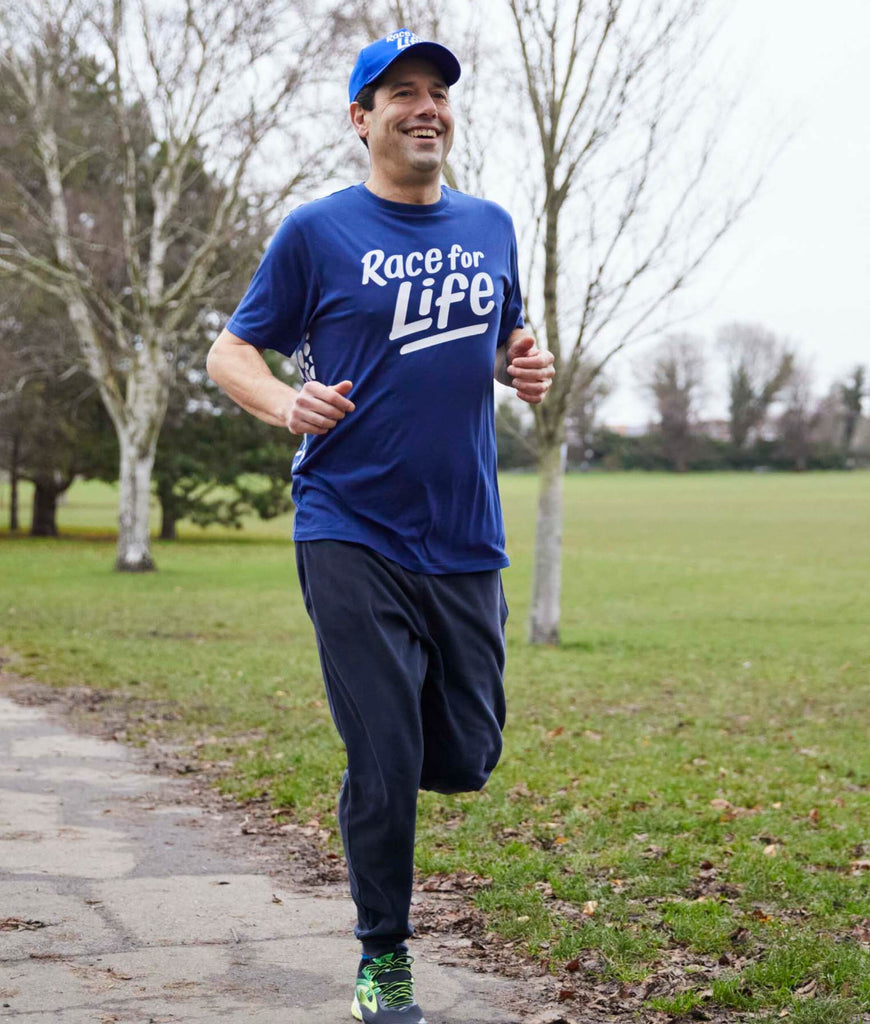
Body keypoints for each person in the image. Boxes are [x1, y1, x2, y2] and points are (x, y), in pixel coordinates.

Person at [207, 28, 554, 1024]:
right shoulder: (318, 233)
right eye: (400, 92)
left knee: (465, 755)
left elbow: (501, 337)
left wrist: (520, 363)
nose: (424, 107)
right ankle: (383, 955)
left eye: (437, 91)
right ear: (360, 119)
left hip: (465, 536)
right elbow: (231, 353)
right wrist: (285, 405)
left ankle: (412, 774)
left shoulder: (492, 225)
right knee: (387, 752)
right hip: (347, 522)